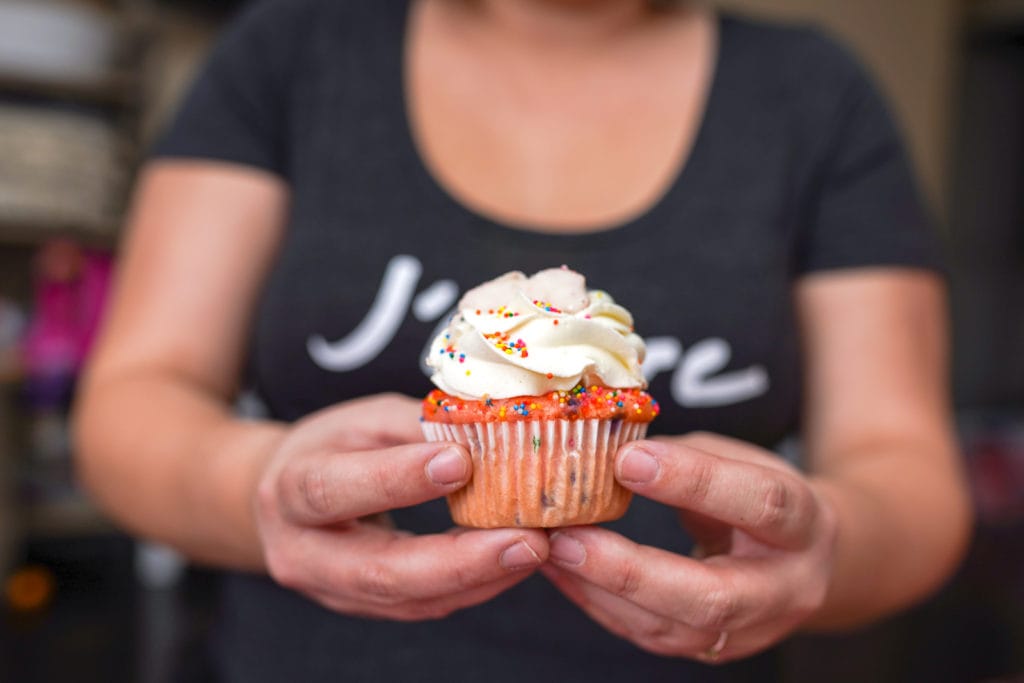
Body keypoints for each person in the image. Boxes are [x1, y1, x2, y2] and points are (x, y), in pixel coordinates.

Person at [72, 0, 972, 680]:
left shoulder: (816, 95)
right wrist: (261, 484)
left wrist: (827, 543)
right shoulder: (291, 48)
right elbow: (137, 396)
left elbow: (906, 469)